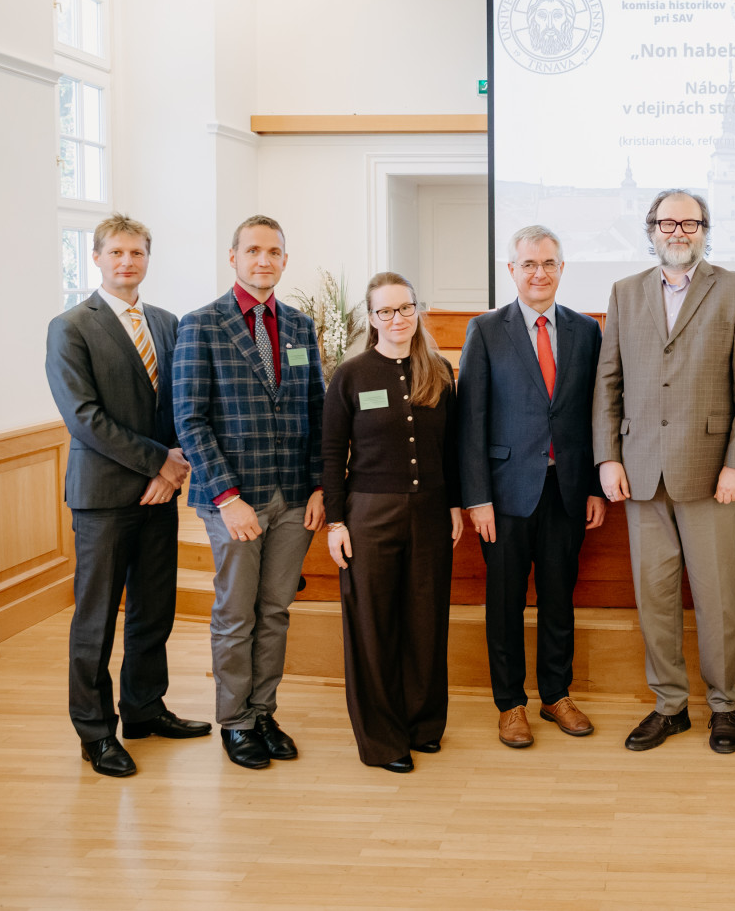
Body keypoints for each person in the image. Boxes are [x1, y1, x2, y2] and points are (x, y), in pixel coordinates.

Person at [593, 189, 735, 754]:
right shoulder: (625, 293)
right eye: (667, 223)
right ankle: (670, 705)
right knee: (655, 597)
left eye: (689, 223)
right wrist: (608, 456)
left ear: (704, 231)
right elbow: (609, 382)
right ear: (651, 230)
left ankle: (723, 706)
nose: (677, 232)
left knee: (718, 600)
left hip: (712, 475)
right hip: (641, 473)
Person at [45, 214, 209, 777]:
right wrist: (158, 461)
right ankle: (95, 733)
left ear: (147, 259)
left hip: (160, 494)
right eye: (116, 252)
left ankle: (144, 708)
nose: (126, 262)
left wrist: (172, 470)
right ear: (96, 257)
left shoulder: (167, 323)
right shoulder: (70, 327)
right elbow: (84, 418)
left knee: (153, 611)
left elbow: (181, 404)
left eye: (136, 252)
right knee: (96, 621)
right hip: (104, 497)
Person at [174, 215, 326, 771]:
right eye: (253, 250)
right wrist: (226, 497)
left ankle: (263, 713)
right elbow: (190, 420)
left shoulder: (300, 326)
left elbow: (316, 409)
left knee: (275, 611)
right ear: (233, 257)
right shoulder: (202, 325)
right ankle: (235, 721)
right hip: (236, 498)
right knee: (236, 615)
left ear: (285, 260)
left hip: (293, 497)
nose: (264, 260)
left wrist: (319, 485)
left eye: (274, 251)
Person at [459, 226, 606, 749]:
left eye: (548, 263)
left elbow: (596, 413)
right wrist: (477, 497)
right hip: (503, 495)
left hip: (567, 489)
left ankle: (556, 694)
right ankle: (510, 703)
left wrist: (594, 486)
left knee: (558, 597)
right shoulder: (485, 329)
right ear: (512, 270)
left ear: (561, 269)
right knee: (505, 602)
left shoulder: (586, 330)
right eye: (528, 264)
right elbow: (470, 419)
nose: (539, 273)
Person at [322, 272, 462, 772]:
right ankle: (382, 740)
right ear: (372, 318)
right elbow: (332, 453)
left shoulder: (439, 371)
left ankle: (423, 724)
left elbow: (451, 446)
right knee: (372, 625)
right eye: (386, 311)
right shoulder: (351, 375)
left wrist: (454, 504)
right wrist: (336, 523)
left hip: (431, 512)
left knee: (426, 621)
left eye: (405, 308)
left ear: (417, 311)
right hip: (368, 516)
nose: (398, 318)